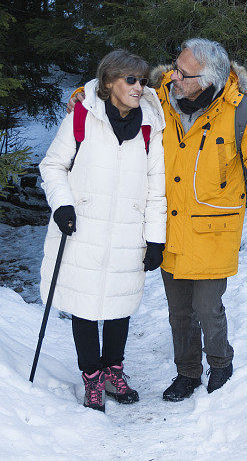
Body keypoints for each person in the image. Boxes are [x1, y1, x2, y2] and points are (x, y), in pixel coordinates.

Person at [68, 38, 247, 400]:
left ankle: (220, 362)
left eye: (184, 73)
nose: (174, 77)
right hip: (171, 224)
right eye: (176, 67)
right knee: (179, 310)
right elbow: (116, 87)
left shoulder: (241, 111)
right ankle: (187, 373)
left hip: (214, 227)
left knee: (207, 306)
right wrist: (80, 94)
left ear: (208, 79)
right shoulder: (159, 96)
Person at [39, 49, 167, 413]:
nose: (139, 87)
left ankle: (114, 371)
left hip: (129, 230)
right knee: (84, 304)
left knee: (119, 304)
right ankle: (92, 377)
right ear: (109, 82)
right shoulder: (81, 116)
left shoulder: (150, 126)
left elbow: (157, 187)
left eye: (142, 81)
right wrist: (63, 204)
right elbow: (52, 166)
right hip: (83, 228)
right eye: (131, 80)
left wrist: (155, 238)